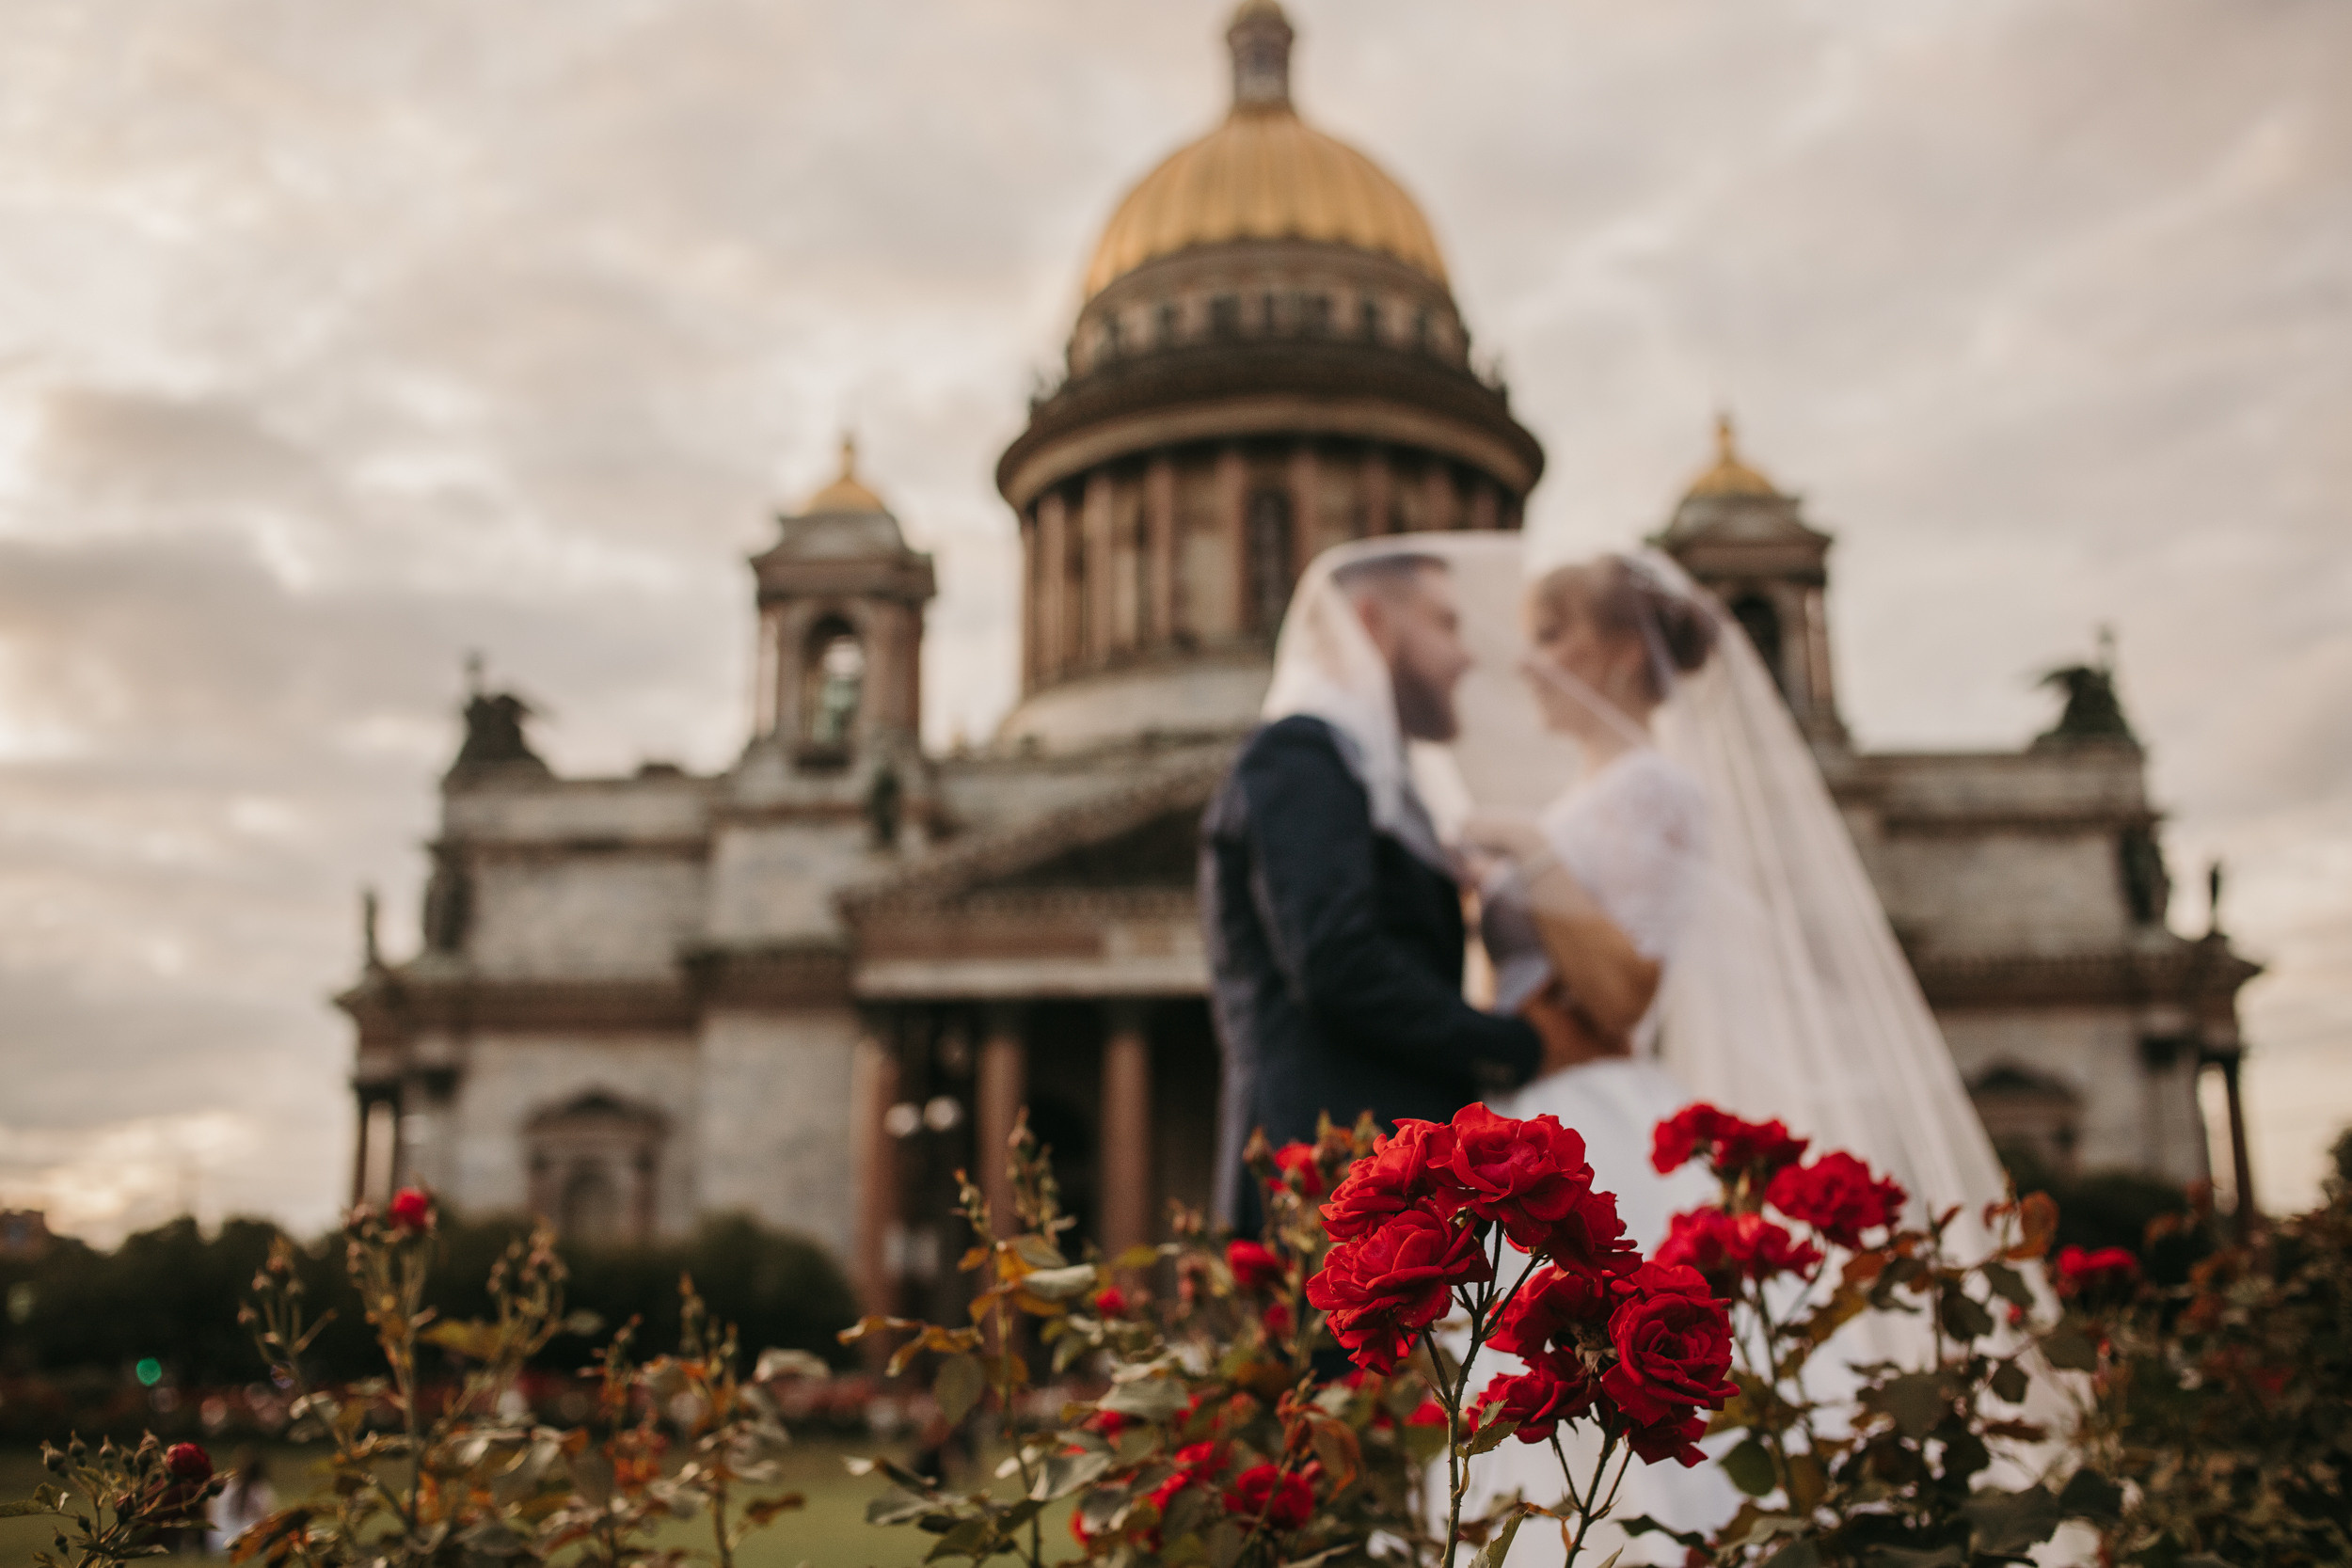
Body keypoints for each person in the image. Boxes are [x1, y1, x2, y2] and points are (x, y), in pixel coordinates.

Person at [1201, 547, 1584, 1227]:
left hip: (1374, 1185)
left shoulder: (1355, 773)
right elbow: (1336, 961)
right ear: (1372, 622)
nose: (1466, 657)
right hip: (1326, 1192)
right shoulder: (1301, 758)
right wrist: (1523, 1042)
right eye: (1445, 624)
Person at [205, 1447, 274, 1556]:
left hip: (219, 1542)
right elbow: (267, 1521)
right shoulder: (262, 1491)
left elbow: (210, 1513)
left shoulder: (225, 1487)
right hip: (249, 1543)